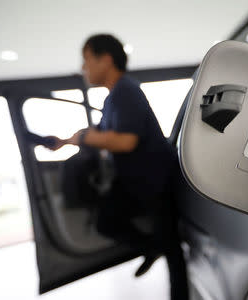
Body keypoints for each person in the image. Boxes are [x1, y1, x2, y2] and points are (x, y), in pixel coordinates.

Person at [46, 34, 188, 300]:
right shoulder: (112, 99)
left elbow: (124, 141)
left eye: (87, 59)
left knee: (173, 252)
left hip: (156, 182)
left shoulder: (126, 90)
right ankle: (150, 246)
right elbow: (100, 131)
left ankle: (168, 272)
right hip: (135, 182)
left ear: (106, 59)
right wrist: (66, 141)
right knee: (106, 221)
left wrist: (84, 138)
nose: (83, 68)